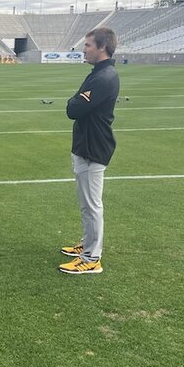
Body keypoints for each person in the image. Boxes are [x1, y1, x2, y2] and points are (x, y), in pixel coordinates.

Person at [59, 27, 120, 275]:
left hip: (94, 147)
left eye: (88, 45)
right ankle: (87, 244)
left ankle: (92, 258)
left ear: (102, 47)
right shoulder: (98, 73)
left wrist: (74, 102)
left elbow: (73, 109)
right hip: (86, 144)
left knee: (93, 204)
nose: (84, 49)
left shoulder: (104, 77)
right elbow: (75, 104)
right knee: (86, 203)